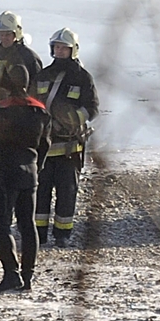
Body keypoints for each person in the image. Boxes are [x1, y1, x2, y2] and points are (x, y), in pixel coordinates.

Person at [0, 64, 50, 294]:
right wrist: (37, 166)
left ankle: (11, 274)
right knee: (27, 224)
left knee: (1, 224)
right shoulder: (40, 111)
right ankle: (27, 276)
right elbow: (45, 145)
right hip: (29, 172)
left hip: (3, 173)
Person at [33, 27, 99, 246]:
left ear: (73, 50)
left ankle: (62, 235)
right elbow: (31, 103)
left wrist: (74, 120)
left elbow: (92, 108)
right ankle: (38, 234)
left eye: (64, 48)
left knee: (67, 192)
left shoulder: (82, 78)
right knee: (40, 191)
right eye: (57, 47)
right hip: (44, 147)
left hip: (70, 148)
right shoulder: (43, 75)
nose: (60, 51)